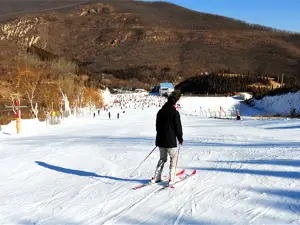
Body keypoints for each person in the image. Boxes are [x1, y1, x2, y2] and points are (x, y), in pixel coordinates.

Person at [151, 90, 183, 186]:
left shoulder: (160, 112)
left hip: (160, 140)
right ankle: (171, 178)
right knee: (173, 157)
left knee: (162, 158)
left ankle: (157, 176)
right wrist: (180, 138)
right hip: (170, 141)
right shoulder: (175, 113)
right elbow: (178, 127)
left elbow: (157, 127)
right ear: (174, 103)